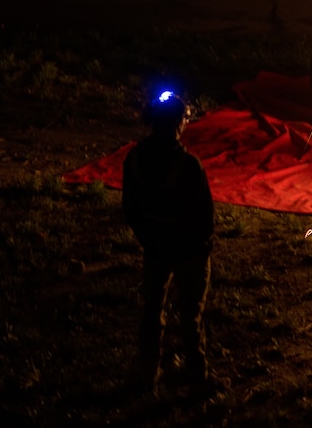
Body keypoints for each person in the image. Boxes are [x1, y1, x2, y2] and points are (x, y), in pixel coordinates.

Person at [123, 90, 215, 396]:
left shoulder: (134, 158)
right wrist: (203, 247)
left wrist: (147, 235)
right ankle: (196, 375)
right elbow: (204, 215)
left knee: (152, 309)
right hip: (188, 249)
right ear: (179, 123)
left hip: (155, 246)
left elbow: (130, 207)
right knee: (191, 314)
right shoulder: (188, 166)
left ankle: (147, 373)